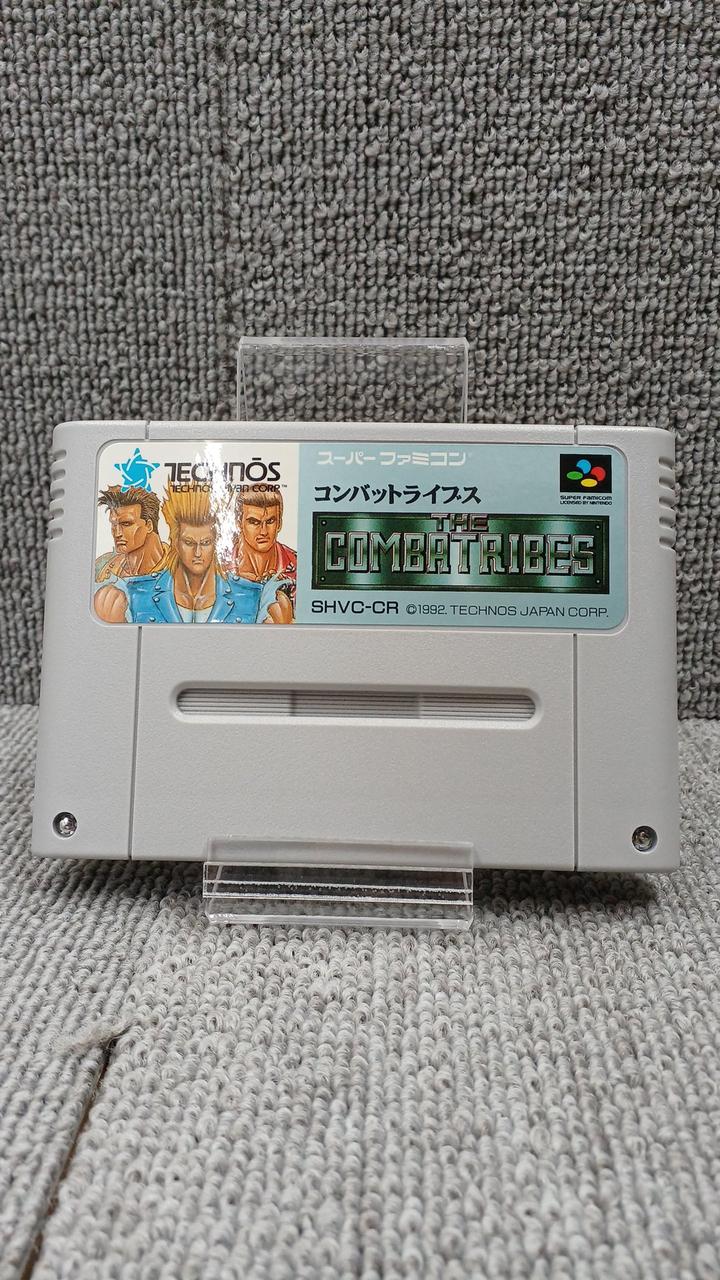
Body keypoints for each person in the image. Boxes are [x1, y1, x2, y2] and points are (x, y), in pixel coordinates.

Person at [95, 483, 288, 624]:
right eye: (189, 543)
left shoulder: (254, 596)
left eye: (205, 543)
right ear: (175, 542)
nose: (197, 553)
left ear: (217, 544)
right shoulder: (133, 593)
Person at [233, 485, 296, 622]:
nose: (263, 531)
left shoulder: (298, 567)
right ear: (239, 523)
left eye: (270, 521)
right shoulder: (218, 568)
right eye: (254, 522)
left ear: (279, 523)